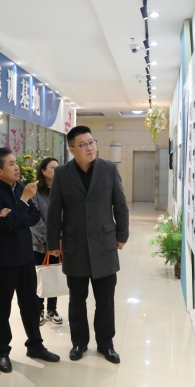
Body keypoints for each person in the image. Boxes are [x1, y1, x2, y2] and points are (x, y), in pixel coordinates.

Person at [47, 125, 129, 364]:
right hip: (74, 246)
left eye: (92, 142)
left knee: (105, 301)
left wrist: (122, 234)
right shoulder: (62, 174)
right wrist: (52, 242)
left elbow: (120, 205)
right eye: (83, 144)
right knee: (77, 300)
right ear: (72, 149)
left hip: (104, 245)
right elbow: (54, 212)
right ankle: (79, 342)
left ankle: (106, 344)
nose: (90, 147)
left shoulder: (109, 168)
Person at [0, 147, 60, 373]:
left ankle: (35, 345)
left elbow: (33, 216)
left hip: (25, 257)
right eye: (11, 164)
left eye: (16, 162)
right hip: (4, 260)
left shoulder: (19, 188)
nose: (17, 167)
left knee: (31, 304)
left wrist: (14, 213)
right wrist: (22, 203)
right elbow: (5, 225)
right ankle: (2, 352)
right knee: (3, 308)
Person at [30, 157, 64, 326]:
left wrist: (60, 238)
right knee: (40, 277)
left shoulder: (62, 190)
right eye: (52, 167)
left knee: (54, 275)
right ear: (43, 171)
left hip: (58, 242)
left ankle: (52, 309)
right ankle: (38, 310)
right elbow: (35, 220)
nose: (57, 170)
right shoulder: (35, 192)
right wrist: (49, 239)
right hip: (39, 243)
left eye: (58, 167)